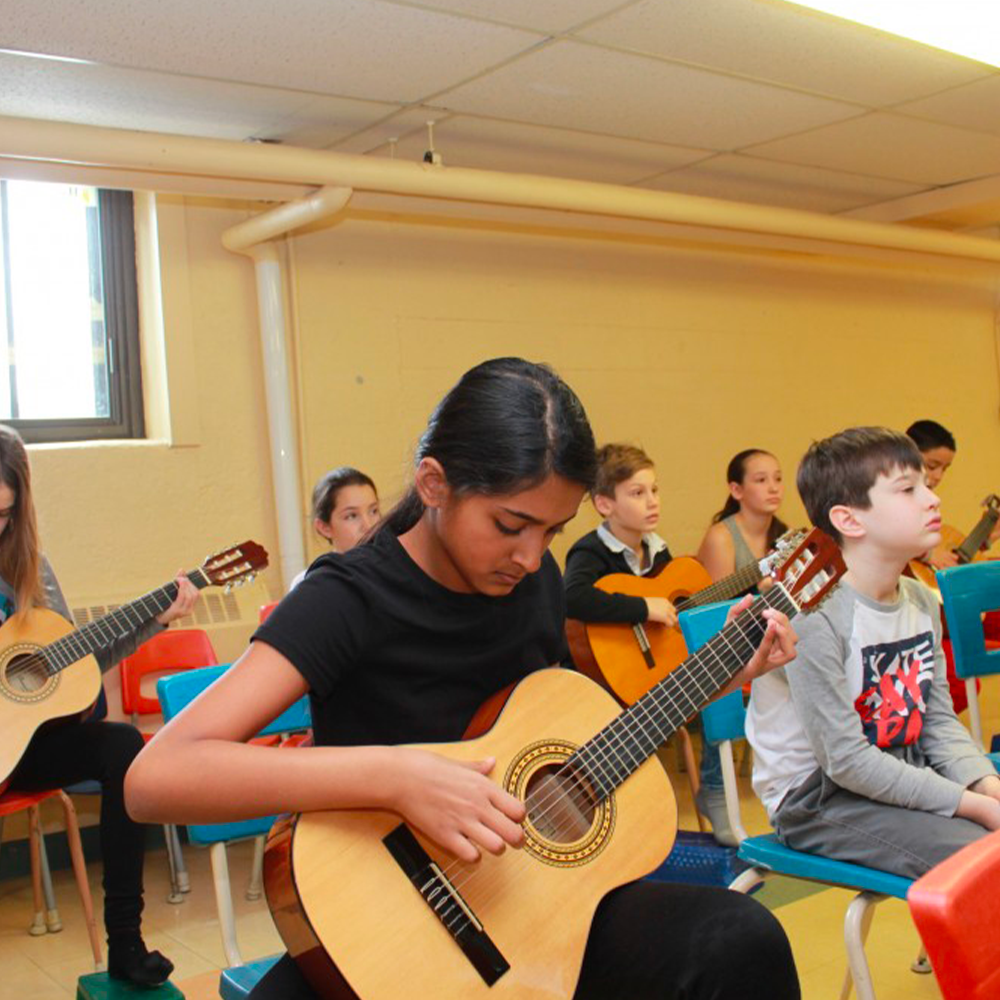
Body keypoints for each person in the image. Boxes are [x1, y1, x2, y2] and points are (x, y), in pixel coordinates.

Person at [126, 358, 800, 1000]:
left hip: (529, 907)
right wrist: (397, 778)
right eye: (510, 525)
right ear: (433, 485)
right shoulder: (347, 598)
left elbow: (568, 735)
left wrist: (716, 677)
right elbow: (156, 779)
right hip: (381, 920)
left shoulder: (533, 582)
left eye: (553, 531)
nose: (531, 556)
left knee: (741, 940)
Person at [746, 427, 1000, 879]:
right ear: (849, 520)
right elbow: (845, 760)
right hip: (817, 796)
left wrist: (987, 784)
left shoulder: (920, 600)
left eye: (925, 483)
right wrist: (973, 806)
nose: (932, 499)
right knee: (984, 864)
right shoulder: (812, 614)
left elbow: (937, 722)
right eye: (908, 489)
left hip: (897, 766)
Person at [0, 424, 198, 986]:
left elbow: (79, 657)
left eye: (3, 514)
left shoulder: (31, 570)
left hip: (29, 749)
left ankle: (126, 944)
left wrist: (157, 618)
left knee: (122, 745)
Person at [693, 449, 787, 845]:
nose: (773, 487)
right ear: (736, 489)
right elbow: (711, 611)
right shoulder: (722, 535)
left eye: (778, 478)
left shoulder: (784, 536)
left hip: (768, 639)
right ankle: (715, 788)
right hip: (724, 643)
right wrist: (759, 591)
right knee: (725, 673)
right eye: (761, 479)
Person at [289, 467, 380, 589]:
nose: (369, 526)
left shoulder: (395, 573)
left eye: (373, 511)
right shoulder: (309, 585)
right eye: (352, 516)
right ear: (324, 527)